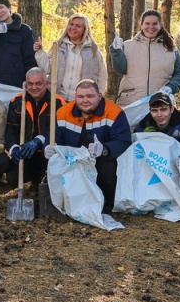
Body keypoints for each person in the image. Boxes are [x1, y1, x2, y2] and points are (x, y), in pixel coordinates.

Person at [53, 79, 131, 213]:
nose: (85, 100)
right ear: (75, 96)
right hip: (72, 160)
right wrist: (49, 148)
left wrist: (105, 149)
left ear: (99, 96)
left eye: (90, 96)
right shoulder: (62, 113)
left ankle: (107, 204)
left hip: (101, 160)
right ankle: (61, 203)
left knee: (109, 167)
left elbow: (124, 141)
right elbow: (53, 136)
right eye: (81, 96)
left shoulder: (114, 112)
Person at [109, 9, 180, 107]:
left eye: (154, 24)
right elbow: (120, 69)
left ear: (160, 25)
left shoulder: (171, 48)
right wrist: (115, 51)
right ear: (141, 25)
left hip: (160, 103)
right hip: (130, 103)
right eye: (147, 23)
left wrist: (170, 88)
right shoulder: (127, 46)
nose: (151, 27)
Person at [4, 68, 66, 186]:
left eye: (38, 83)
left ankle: (41, 181)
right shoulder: (17, 101)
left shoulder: (58, 103)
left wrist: (39, 141)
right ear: (26, 84)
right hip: (26, 152)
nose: (34, 87)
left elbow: (59, 130)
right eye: (30, 84)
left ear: (46, 84)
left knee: (46, 182)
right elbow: (10, 129)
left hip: (48, 153)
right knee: (12, 179)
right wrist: (14, 148)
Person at [34, 13, 108, 100]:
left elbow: (102, 75)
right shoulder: (58, 46)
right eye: (71, 24)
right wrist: (39, 52)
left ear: (85, 30)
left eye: (78, 26)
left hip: (82, 101)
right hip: (58, 98)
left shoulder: (93, 50)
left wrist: (97, 96)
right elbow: (47, 69)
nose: (73, 28)